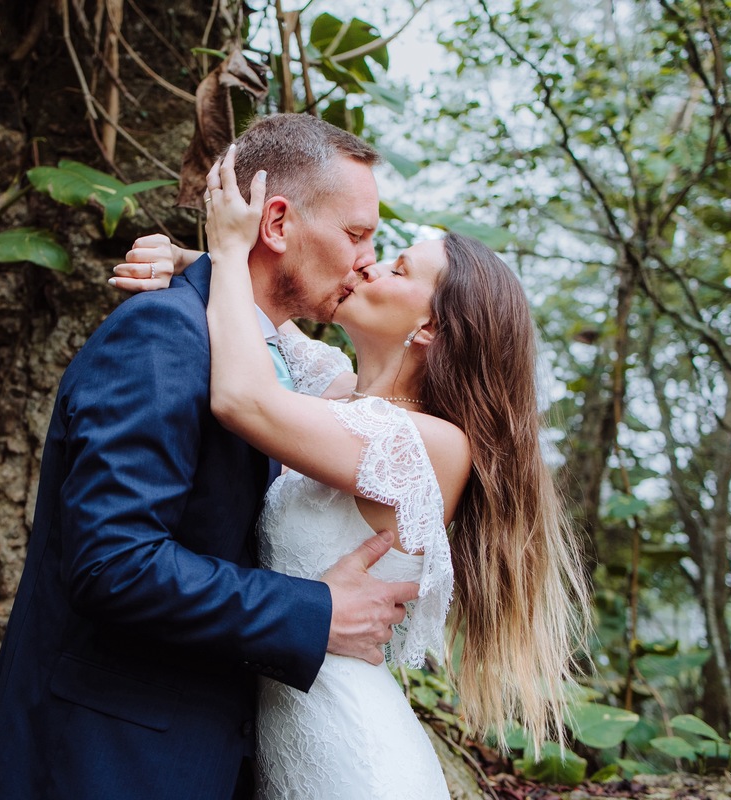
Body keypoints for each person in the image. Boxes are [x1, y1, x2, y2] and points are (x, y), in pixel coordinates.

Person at [0, 114, 422, 800]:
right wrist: (315, 611)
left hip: (210, 750)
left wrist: (195, 260)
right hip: (104, 760)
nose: (366, 259)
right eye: (356, 234)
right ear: (275, 224)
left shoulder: (273, 360)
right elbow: (113, 562)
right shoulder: (163, 334)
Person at [119, 148, 589, 797]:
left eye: (396, 267)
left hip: (355, 761)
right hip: (292, 741)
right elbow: (266, 329)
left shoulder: (431, 445)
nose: (367, 263)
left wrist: (227, 251)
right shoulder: (342, 396)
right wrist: (187, 261)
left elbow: (243, 398)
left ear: (428, 325)